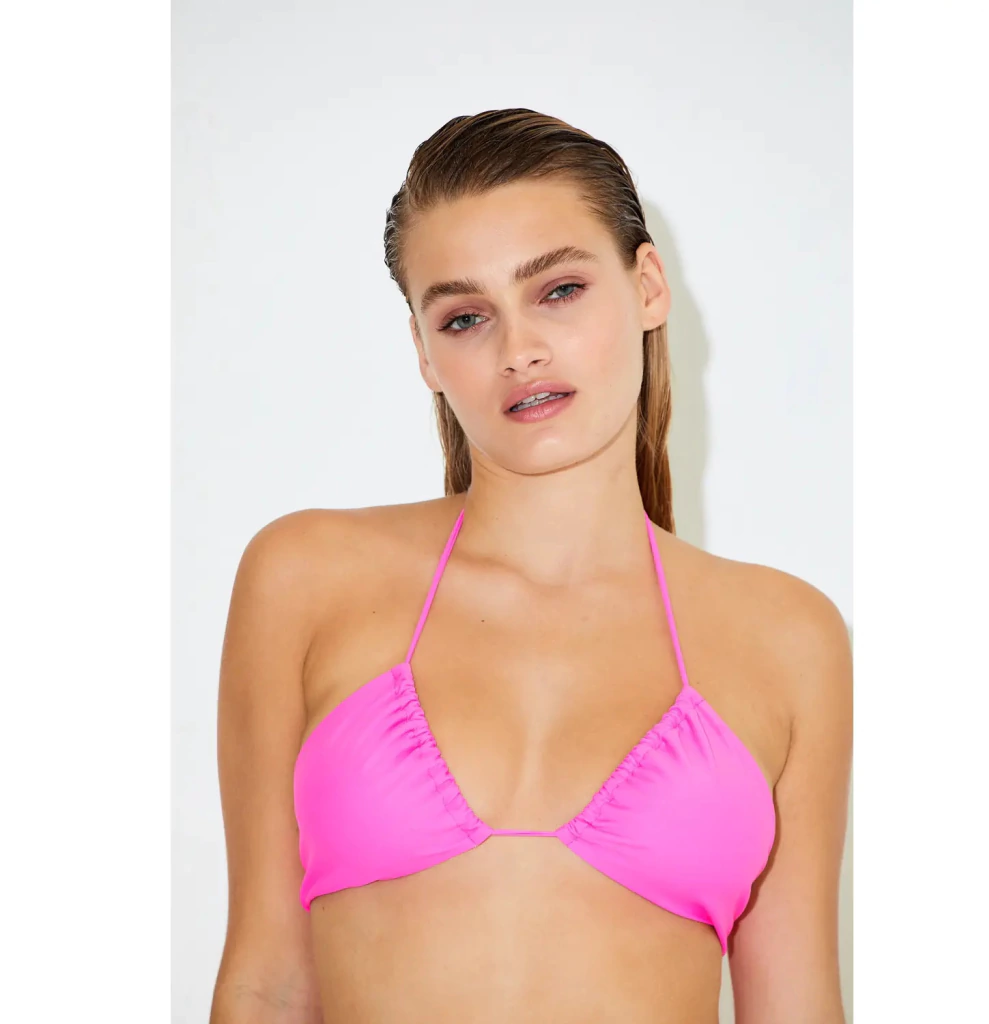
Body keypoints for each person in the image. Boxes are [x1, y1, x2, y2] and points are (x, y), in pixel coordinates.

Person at [210, 108, 851, 1024]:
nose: (520, 351)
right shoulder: (304, 578)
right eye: (466, 317)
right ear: (425, 354)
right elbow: (266, 985)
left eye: (559, 290)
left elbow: (797, 1009)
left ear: (649, 287)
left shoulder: (789, 638)